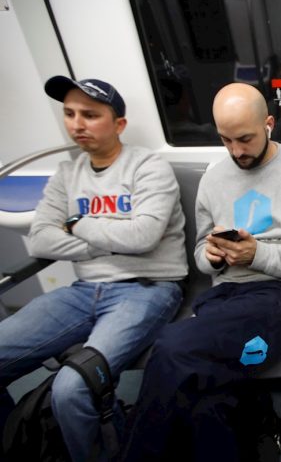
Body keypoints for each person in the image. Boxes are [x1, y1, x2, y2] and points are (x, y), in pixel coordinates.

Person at [121, 83, 281, 460]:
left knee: (171, 349)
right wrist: (213, 256)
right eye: (226, 141)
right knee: (202, 401)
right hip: (224, 293)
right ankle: (260, 425)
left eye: (244, 139)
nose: (236, 152)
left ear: (269, 124)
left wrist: (256, 254)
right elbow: (200, 252)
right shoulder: (215, 177)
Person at [0, 76, 187, 460]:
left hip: (146, 289)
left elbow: (142, 237)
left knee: (72, 388)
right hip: (84, 292)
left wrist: (76, 225)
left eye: (90, 114)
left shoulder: (148, 168)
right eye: (69, 113)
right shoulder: (67, 175)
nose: (76, 124)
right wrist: (103, 244)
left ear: (118, 124)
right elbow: (39, 240)